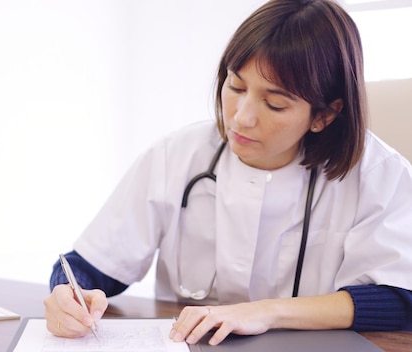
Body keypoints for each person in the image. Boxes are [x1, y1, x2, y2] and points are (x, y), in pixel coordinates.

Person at [43, 0, 412, 346]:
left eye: (275, 104)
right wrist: (68, 295)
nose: (241, 116)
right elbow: (92, 265)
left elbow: (399, 298)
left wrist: (266, 311)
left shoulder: (380, 174)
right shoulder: (177, 154)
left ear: (324, 115)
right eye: (235, 86)